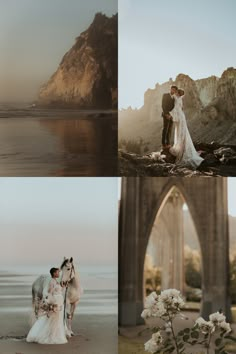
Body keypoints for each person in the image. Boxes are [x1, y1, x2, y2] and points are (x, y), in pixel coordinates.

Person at [26, 267, 67, 345]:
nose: (58, 274)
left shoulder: (55, 281)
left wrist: (64, 286)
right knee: (53, 319)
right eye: (57, 272)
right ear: (54, 273)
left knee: (57, 319)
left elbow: (59, 291)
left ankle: (54, 333)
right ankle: (50, 335)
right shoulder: (52, 281)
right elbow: (50, 292)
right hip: (56, 301)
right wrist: (51, 303)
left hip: (59, 301)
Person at [169, 88, 203, 169]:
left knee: (180, 131)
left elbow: (175, 108)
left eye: (177, 91)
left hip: (180, 116)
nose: (176, 92)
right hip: (182, 116)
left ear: (178, 93)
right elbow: (181, 108)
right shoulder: (180, 99)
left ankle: (181, 148)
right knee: (182, 131)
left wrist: (172, 114)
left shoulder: (175, 98)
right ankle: (183, 146)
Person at [161, 85, 178, 150]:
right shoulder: (165, 95)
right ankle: (163, 144)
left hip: (171, 116)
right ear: (170, 89)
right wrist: (166, 114)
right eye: (172, 89)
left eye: (175, 90)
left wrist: (172, 115)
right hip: (166, 115)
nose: (173, 91)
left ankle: (168, 143)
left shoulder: (174, 98)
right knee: (165, 129)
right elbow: (163, 105)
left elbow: (174, 107)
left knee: (170, 130)